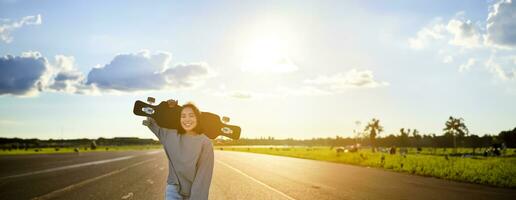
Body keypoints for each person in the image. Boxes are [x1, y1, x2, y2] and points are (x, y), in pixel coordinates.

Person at [143, 100, 214, 200]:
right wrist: (165, 106)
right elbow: (151, 121)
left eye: (191, 115)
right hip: (174, 188)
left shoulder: (205, 142)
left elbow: (203, 176)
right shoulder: (170, 135)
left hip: (194, 190)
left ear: (197, 118)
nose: (187, 119)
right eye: (183, 116)